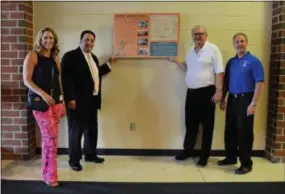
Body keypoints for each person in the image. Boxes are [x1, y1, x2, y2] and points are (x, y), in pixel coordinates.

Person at [169, 25, 224, 167]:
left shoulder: (213, 49)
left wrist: (219, 91)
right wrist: (176, 61)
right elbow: (188, 68)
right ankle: (187, 151)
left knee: (207, 126)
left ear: (206, 35)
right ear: (192, 36)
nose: (198, 36)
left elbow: (219, 71)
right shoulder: (190, 51)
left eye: (201, 34)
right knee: (190, 124)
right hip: (192, 93)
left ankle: (204, 156)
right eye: (195, 34)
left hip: (207, 92)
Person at [61, 30, 115, 171]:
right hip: (76, 101)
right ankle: (74, 160)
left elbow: (95, 74)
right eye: (86, 40)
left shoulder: (94, 58)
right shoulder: (70, 57)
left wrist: (109, 64)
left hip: (92, 100)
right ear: (80, 40)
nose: (89, 43)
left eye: (92, 40)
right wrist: (71, 98)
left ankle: (90, 154)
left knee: (91, 129)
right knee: (76, 131)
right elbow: (66, 79)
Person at [23, 27, 65, 187]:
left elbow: (59, 82)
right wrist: (44, 95)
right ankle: (50, 176)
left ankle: (47, 172)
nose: (48, 41)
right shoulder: (33, 56)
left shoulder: (55, 58)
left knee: (51, 140)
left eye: (51, 39)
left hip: (56, 104)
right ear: (40, 39)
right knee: (50, 140)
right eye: (46, 38)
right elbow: (27, 80)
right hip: (41, 105)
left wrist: (63, 102)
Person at [218, 33, 265, 174]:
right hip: (232, 99)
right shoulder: (231, 62)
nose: (240, 44)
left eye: (242, 41)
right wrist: (223, 99)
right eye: (237, 42)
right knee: (230, 130)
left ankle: (246, 163)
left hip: (246, 100)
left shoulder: (254, 61)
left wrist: (253, 103)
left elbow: (260, 83)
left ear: (247, 42)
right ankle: (231, 157)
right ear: (234, 44)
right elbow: (226, 82)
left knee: (244, 132)